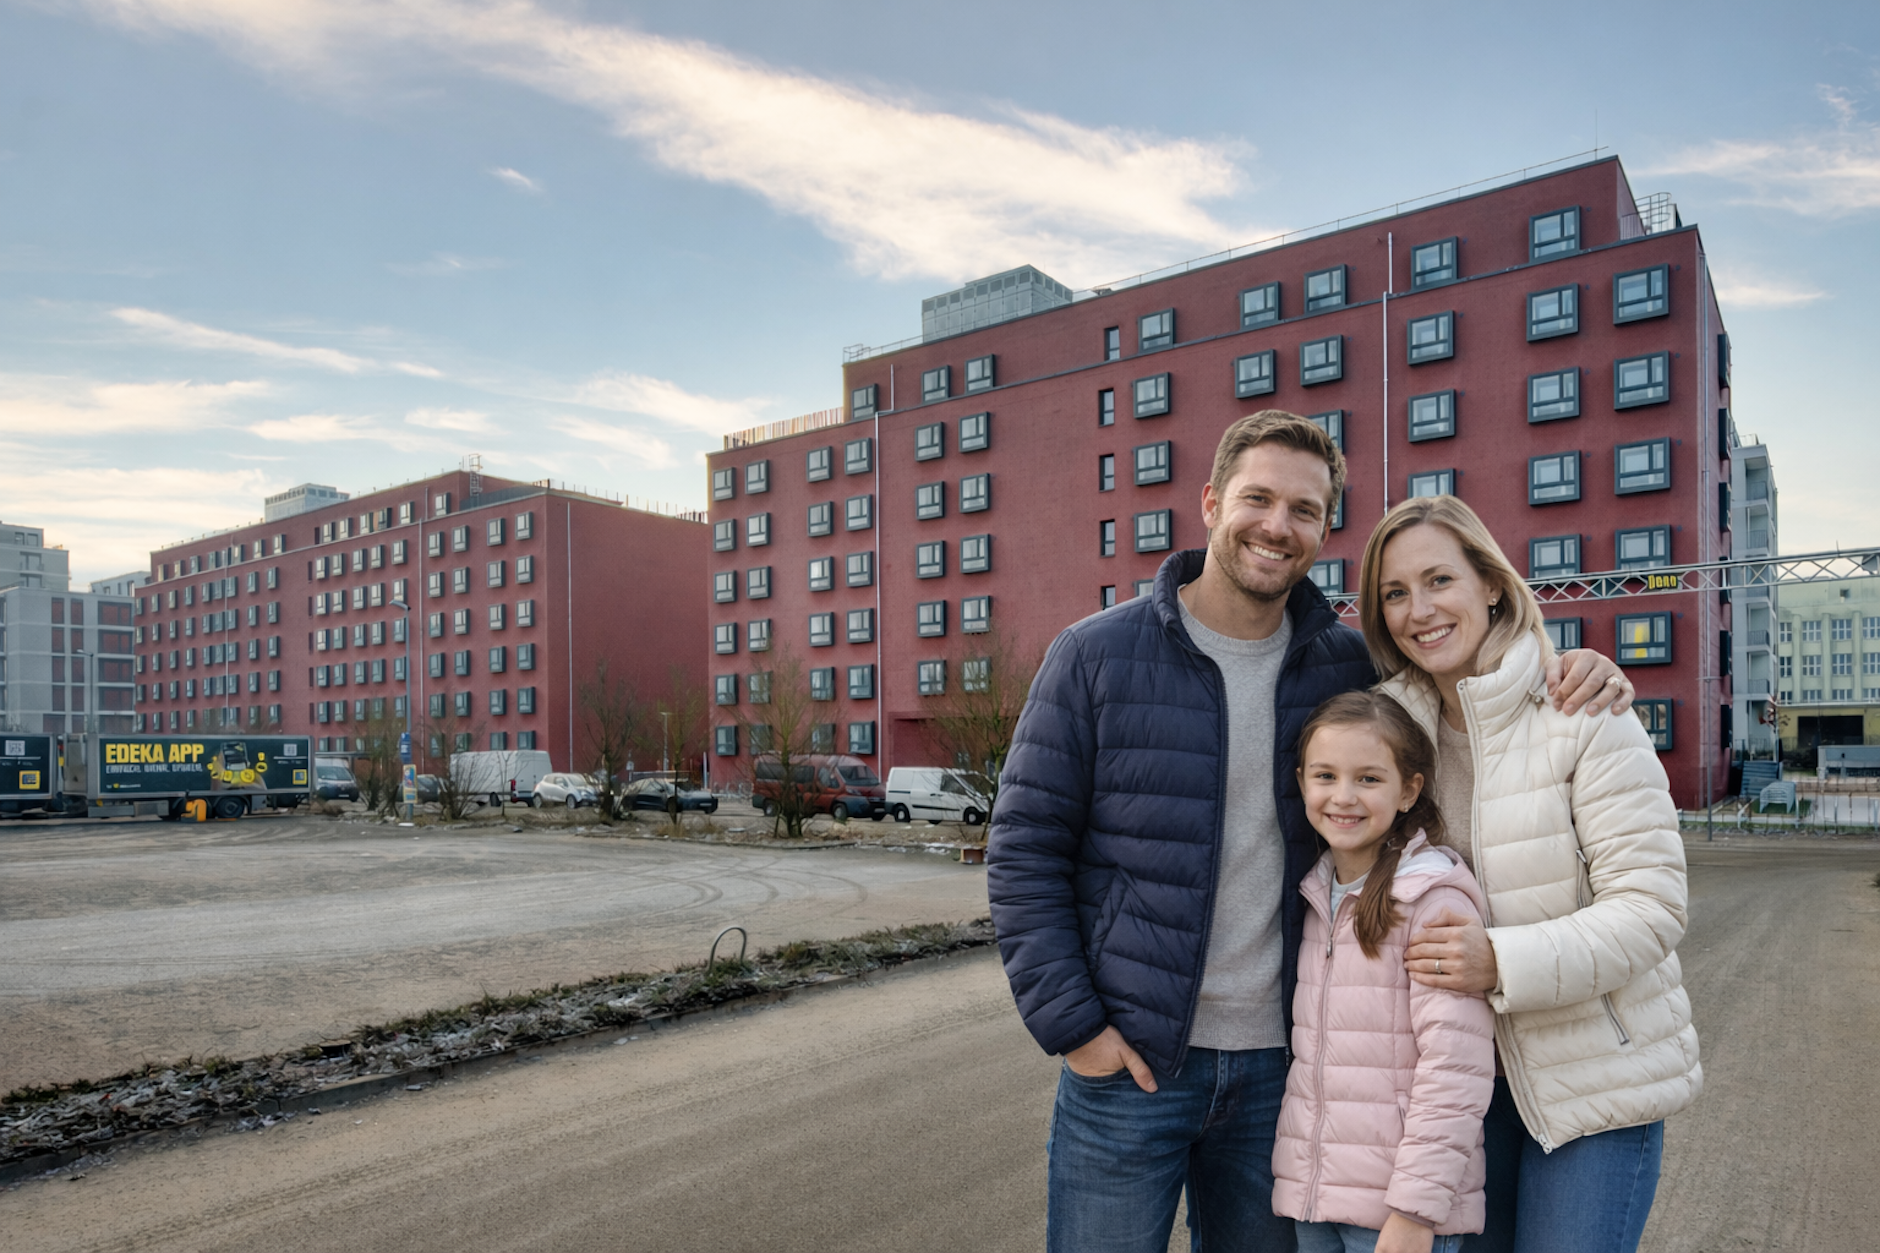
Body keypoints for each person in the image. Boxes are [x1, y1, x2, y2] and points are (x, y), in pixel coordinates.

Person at [987, 411, 1634, 1253]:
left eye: (1304, 510)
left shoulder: (1351, 665)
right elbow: (1024, 848)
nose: (1277, 526)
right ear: (1213, 502)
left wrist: (1573, 666)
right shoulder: (1094, 656)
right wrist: (1075, 1026)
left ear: (1324, 529)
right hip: (1133, 1064)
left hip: (1284, 1075)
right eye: (1258, 498)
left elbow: (1468, 680)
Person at [1360, 495, 1702, 1253]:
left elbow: (1651, 908)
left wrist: (1499, 958)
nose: (1419, 609)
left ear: (1490, 582)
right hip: (1458, 1090)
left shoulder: (1581, 709)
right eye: (1394, 592)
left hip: (1593, 1088)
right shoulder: (1383, 734)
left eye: (1439, 579)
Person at [1274, 690, 1496, 1253]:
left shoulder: (1431, 900)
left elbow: (1456, 1071)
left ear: (1408, 791)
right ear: (1302, 783)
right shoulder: (1315, 894)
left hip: (1400, 1217)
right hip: (1316, 1201)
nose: (1343, 797)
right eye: (1325, 776)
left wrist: (1415, 1210)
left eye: (1369, 779)